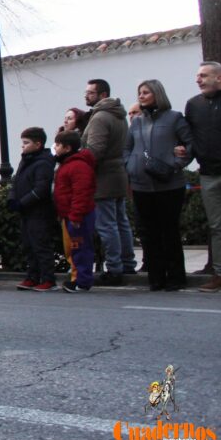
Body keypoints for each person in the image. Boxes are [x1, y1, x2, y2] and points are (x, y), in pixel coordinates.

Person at [124, 79, 192, 291]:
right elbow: (126, 148)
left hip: (169, 184)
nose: (141, 96)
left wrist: (176, 164)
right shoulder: (136, 122)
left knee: (169, 231)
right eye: (139, 92)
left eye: (146, 92)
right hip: (141, 185)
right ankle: (156, 277)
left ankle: (175, 277)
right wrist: (130, 165)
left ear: (157, 94)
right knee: (149, 232)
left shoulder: (174, 118)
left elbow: (190, 145)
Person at [177, 62, 221, 292]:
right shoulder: (193, 105)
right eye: (198, 76)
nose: (198, 80)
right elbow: (190, 138)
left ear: (219, 78)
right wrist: (183, 151)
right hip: (208, 174)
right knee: (217, 227)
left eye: (203, 75)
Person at [82, 78, 136, 285]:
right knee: (121, 222)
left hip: (103, 176)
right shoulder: (119, 115)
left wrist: (79, 160)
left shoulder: (100, 117)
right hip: (118, 174)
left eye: (90, 92)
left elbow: (95, 150)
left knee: (107, 225)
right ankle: (127, 263)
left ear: (102, 95)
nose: (86, 96)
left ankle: (114, 268)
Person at [9, 127, 58, 292]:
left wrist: (23, 202)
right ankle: (32, 276)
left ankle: (48, 279)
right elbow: (16, 181)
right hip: (26, 212)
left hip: (39, 211)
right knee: (28, 245)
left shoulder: (44, 162)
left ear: (38, 144)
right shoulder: (25, 160)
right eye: (22, 143)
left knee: (41, 245)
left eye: (26, 143)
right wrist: (12, 198)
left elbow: (41, 188)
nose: (23, 146)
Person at [53, 131, 97, 292]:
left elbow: (81, 193)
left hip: (78, 217)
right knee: (73, 248)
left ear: (67, 148)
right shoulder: (66, 164)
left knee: (80, 248)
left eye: (58, 145)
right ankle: (77, 278)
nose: (55, 148)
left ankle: (82, 281)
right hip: (69, 215)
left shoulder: (78, 166)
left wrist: (76, 216)